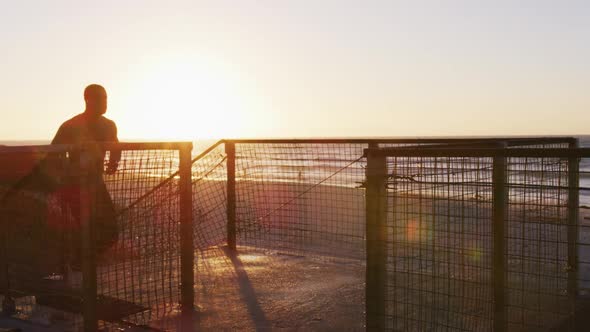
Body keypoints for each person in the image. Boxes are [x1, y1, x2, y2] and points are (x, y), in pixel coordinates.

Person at [50, 84, 121, 270]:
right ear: (89, 100)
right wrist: (65, 173)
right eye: (101, 98)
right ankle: (80, 266)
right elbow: (52, 152)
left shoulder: (109, 125)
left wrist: (114, 162)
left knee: (111, 230)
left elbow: (116, 147)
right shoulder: (71, 125)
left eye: (106, 98)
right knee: (86, 229)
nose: (105, 102)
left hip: (96, 184)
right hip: (75, 186)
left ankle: (81, 261)